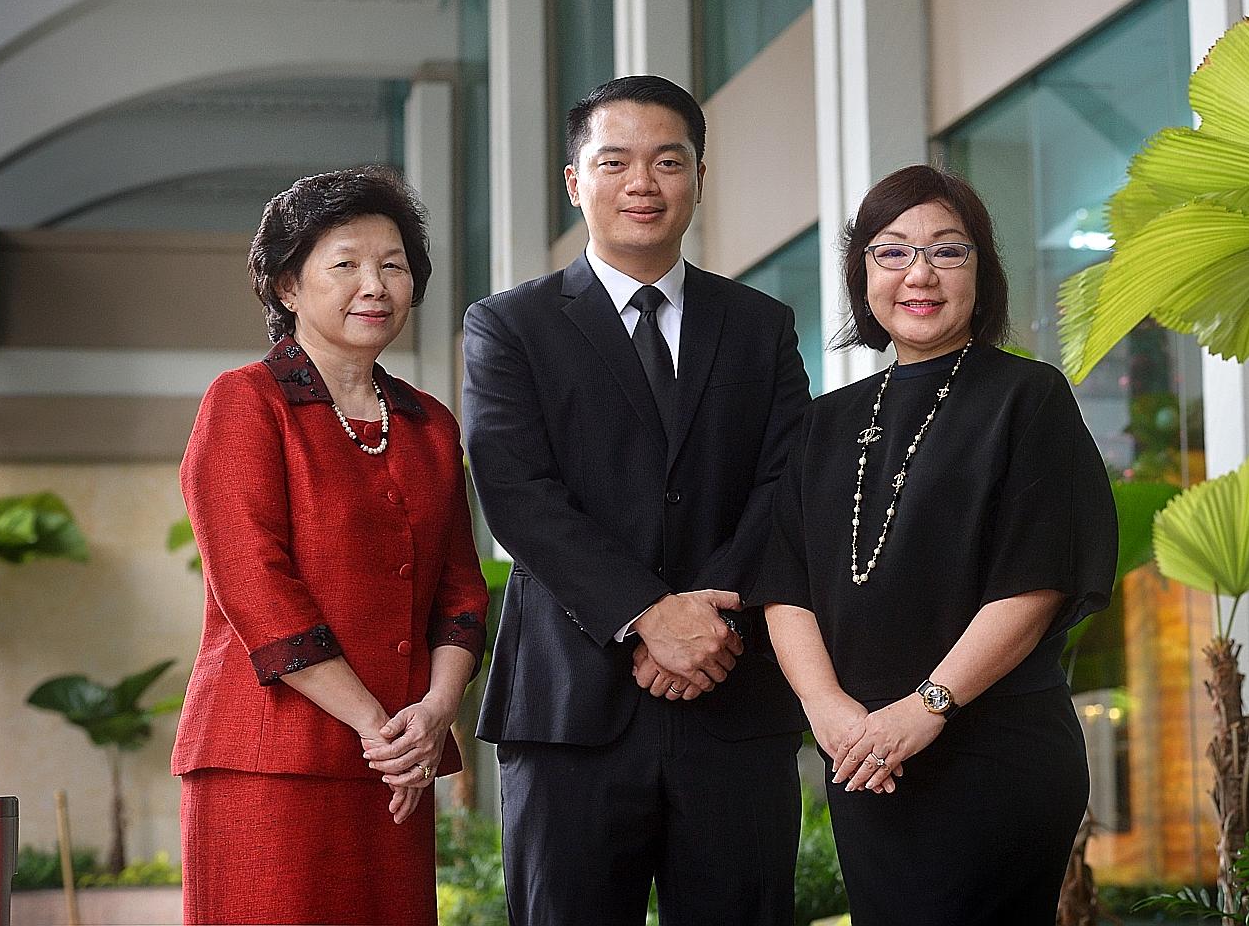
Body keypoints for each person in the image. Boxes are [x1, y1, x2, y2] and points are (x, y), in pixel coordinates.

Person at [462, 75, 811, 925]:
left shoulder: (760, 325)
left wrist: (708, 620)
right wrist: (649, 615)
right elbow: (517, 492)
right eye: (614, 162)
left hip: (731, 697)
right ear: (574, 180)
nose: (642, 184)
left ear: (700, 176)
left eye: (668, 161)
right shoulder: (509, 326)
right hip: (570, 706)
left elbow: (788, 483)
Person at [753, 164, 1116, 925]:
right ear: (863, 276)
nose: (919, 274)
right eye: (892, 252)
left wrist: (926, 708)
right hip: (864, 760)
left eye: (948, 251)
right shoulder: (824, 422)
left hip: (994, 756)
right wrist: (830, 713)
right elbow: (785, 584)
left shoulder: (1029, 397)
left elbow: (1035, 580)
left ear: (982, 273)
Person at [173, 166, 490, 925]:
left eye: (393, 266)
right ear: (288, 286)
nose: (373, 286)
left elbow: (460, 590)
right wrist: (377, 726)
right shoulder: (245, 401)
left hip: (396, 763)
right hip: (269, 762)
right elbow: (255, 585)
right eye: (345, 264)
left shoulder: (429, 424)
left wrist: (436, 710)